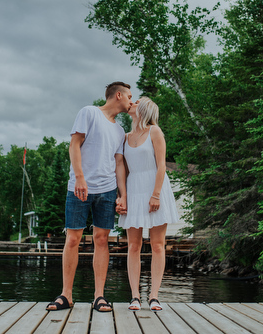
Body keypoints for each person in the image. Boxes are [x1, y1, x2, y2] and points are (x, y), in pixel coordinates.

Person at [46, 81, 133, 313]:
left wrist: (122, 195)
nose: (131, 101)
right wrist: (80, 177)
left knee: (102, 240)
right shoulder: (89, 112)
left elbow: (118, 164)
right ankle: (66, 295)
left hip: (107, 190)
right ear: (118, 95)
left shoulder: (119, 131)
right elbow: (74, 145)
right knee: (73, 239)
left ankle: (99, 297)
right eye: (129, 96)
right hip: (79, 187)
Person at [116, 97, 179, 311]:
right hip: (134, 189)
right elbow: (122, 169)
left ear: (143, 109)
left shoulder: (155, 131)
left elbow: (162, 166)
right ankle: (135, 296)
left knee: (157, 245)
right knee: (133, 245)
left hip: (155, 188)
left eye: (137, 102)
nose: (131, 103)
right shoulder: (124, 137)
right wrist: (121, 196)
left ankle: (154, 296)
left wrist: (156, 194)